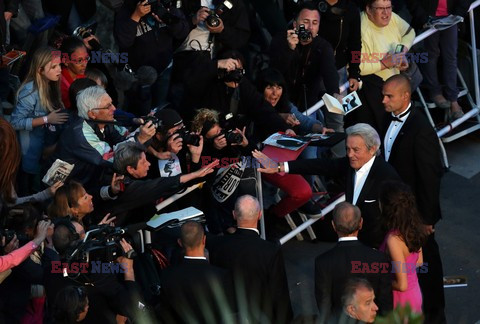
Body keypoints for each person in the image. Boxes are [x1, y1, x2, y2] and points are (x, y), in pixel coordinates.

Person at [253, 123, 401, 248]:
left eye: (356, 150)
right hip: (352, 244)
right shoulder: (349, 164)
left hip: (375, 246)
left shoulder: (387, 176)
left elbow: (398, 218)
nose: (349, 154)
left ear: (372, 149)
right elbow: (318, 165)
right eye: (347, 149)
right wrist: (279, 166)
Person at [380, 74, 445, 322]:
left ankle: (435, 315)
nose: (383, 100)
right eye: (383, 95)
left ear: (406, 97)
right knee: (406, 265)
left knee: (427, 267)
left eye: (389, 96)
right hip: (394, 210)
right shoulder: (387, 117)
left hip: (416, 215)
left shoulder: (422, 130)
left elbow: (430, 176)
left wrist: (427, 219)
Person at [207, 195, 293, 323]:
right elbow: (279, 292)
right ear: (260, 215)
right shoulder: (270, 251)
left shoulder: (217, 244)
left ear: (234, 215)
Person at [50, 85, 156, 188]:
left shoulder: (108, 121)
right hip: (61, 187)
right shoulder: (80, 134)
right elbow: (114, 158)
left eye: (112, 103)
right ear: (92, 114)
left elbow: (125, 138)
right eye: (107, 106)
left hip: (87, 179)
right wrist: (140, 139)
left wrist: (143, 127)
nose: (114, 108)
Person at [314, 202, 392, 322]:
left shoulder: (323, 262)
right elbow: (385, 300)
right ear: (360, 223)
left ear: (333, 226)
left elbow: (324, 303)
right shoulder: (378, 258)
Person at [347, 0, 415, 133]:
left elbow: (409, 32)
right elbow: (355, 66)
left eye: (389, 7)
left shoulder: (393, 17)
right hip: (368, 92)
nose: (386, 13)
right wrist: (384, 63)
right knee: (370, 134)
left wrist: (400, 53)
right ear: (369, 9)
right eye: (380, 9)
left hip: (393, 87)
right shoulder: (362, 27)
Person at [10, 46, 69, 195]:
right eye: (54, 67)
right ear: (40, 70)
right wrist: (46, 119)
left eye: (60, 65)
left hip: (43, 153)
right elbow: (15, 122)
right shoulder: (30, 91)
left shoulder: (51, 86)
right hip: (28, 155)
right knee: (28, 192)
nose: (59, 70)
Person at [114, 0, 189, 108]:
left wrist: (169, 19)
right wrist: (136, 16)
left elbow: (182, 32)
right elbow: (123, 41)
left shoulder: (167, 5)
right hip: (139, 74)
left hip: (164, 69)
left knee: (159, 107)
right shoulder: (126, 10)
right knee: (138, 110)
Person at [269, 2, 340, 112]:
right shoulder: (280, 40)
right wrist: (289, 49)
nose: (310, 27)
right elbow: (274, 73)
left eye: (315, 23)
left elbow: (330, 73)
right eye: (306, 22)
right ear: (295, 24)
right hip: (280, 103)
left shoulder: (323, 46)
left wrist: (335, 93)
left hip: (309, 106)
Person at [158, 221, 232, 323]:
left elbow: (164, 312)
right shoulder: (221, 276)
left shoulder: (167, 275)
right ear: (204, 240)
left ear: (180, 242)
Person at [406, 0, 469, 120]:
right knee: (431, 56)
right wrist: (423, 18)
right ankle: (435, 92)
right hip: (429, 19)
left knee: (450, 57)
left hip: (451, 18)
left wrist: (459, 13)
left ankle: (453, 99)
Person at [379, 181, 427, 314]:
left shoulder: (393, 240)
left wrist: (381, 280)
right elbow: (419, 262)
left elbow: (402, 285)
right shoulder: (414, 226)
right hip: (415, 294)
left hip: (401, 301)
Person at [59, 36, 89, 109]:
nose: (84, 64)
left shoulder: (79, 75)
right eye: (79, 61)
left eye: (86, 58)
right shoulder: (62, 85)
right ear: (66, 61)